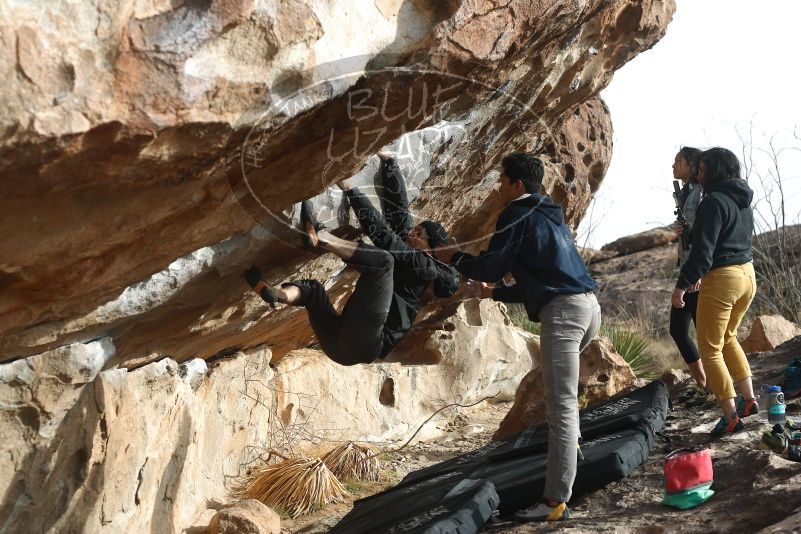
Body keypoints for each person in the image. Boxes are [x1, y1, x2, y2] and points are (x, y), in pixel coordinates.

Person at [435, 152, 600, 522]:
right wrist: (493, 293)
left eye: (503, 180)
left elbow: (492, 265)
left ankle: (555, 500)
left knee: (562, 407)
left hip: (564, 314)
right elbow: (538, 279)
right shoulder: (550, 214)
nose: (499, 186)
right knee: (564, 401)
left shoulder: (515, 213)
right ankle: (571, 464)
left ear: (518, 185)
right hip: (589, 309)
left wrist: (454, 257)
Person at [246, 152, 459, 366]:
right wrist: (390, 163)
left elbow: (383, 237)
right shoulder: (416, 254)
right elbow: (399, 213)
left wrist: (350, 189)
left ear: (431, 249)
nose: (413, 233)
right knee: (313, 293)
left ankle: (323, 238)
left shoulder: (425, 266)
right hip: (341, 351)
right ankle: (276, 293)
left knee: (384, 262)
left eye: (420, 233)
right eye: (416, 229)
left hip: (367, 342)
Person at [671, 147, 757, 437]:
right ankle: (749, 400)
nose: (699, 174)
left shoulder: (712, 202)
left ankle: (730, 416)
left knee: (710, 348)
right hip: (748, 275)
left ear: (715, 171)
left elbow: (703, 256)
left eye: (703, 170)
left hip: (722, 279)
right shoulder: (742, 200)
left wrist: (681, 286)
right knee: (729, 337)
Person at [668, 147, 710, 406]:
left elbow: (704, 234)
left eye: (678, 162)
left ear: (692, 165)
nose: (673, 166)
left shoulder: (699, 193)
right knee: (679, 330)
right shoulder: (686, 193)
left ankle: (712, 386)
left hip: (698, 271)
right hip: (689, 268)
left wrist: (697, 272)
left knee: (700, 332)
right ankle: (704, 384)